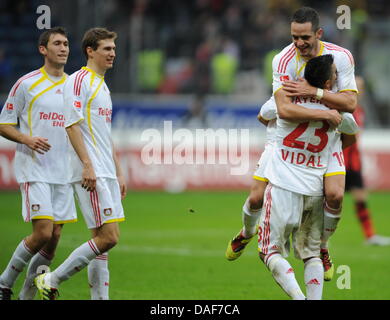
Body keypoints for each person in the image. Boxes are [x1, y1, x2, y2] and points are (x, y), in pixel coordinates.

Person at [225, 7, 358, 282]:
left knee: (335, 196)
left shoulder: (340, 58)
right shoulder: (283, 60)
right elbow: (278, 111)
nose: (299, 44)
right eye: (294, 37)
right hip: (284, 140)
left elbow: (351, 104)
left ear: (319, 33)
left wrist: (314, 93)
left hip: (326, 139)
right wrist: (321, 112)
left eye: (305, 37)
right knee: (255, 198)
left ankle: (321, 247)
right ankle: (247, 233)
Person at [34, 27, 127, 300]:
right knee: (109, 237)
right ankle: (50, 279)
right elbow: (71, 124)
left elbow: (104, 134)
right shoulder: (79, 80)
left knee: (102, 241)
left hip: (105, 171)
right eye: (106, 49)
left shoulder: (102, 85)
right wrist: (88, 165)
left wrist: (118, 171)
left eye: (113, 48)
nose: (112, 53)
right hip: (91, 171)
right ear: (90, 50)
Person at [258, 54, 355, 300]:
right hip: (314, 189)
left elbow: (264, 114)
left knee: (269, 252)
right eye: (334, 74)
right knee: (311, 254)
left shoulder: (286, 100)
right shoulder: (338, 111)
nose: (336, 77)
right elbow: (352, 133)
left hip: (282, 186)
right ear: (325, 83)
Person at [0, 27, 77, 300]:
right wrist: (27, 139)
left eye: (66, 44)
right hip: (35, 168)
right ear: (43, 49)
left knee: (54, 238)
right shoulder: (27, 83)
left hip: (64, 173)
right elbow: (4, 123)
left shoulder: (72, 86)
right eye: (57, 43)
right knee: (42, 232)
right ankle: (4, 282)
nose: (64, 48)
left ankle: (27, 295)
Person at [343, 76, 390, 246]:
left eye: (361, 87)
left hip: (354, 163)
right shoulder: (344, 109)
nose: (359, 90)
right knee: (327, 202)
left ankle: (370, 236)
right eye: (356, 86)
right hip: (340, 162)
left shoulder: (359, 110)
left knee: (361, 198)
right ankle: (316, 239)